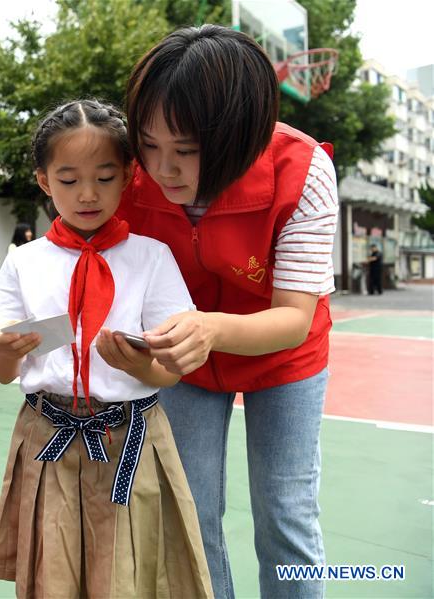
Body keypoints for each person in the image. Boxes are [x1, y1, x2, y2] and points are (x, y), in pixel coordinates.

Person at [116, 25, 339, 599]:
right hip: (183, 359)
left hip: (284, 357)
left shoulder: (305, 171)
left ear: (241, 137)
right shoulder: (130, 171)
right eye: (149, 145)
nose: (162, 170)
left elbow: (293, 318)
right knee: (188, 513)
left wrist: (209, 329)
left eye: (186, 151)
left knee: (285, 512)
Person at [0, 99, 212, 598]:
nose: (87, 194)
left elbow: (171, 372)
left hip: (131, 436)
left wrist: (143, 367)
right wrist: (9, 350)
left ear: (128, 174)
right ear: (44, 181)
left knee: (127, 577)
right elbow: (1, 371)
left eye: (104, 177)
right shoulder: (25, 263)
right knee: (54, 578)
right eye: (68, 180)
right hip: (47, 435)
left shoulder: (151, 258)